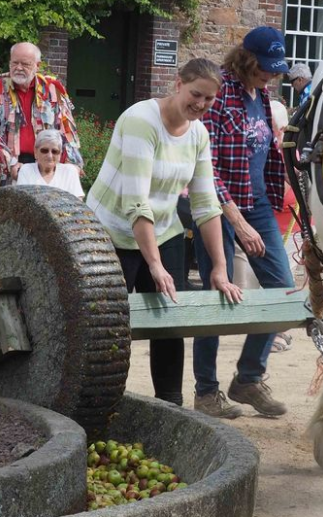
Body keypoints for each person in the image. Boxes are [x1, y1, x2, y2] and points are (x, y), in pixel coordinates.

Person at [87, 58, 242, 409]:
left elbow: (206, 205)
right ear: (177, 84)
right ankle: (100, 403)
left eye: (209, 100)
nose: (200, 105)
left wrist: (219, 267)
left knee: (169, 320)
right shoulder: (142, 120)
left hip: (163, 228)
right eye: (195, 95)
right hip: (111, 231)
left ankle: (170, 405)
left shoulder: (199, 134)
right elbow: (136, 201)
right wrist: (154, 266)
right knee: (108, 326)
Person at [193, 26, 294, 419]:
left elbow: (267, 152)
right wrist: (235, 218)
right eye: (264, 68)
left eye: (274, 69)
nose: (270, 75)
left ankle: (248, 378)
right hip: (215, 209)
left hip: (259, 204)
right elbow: (206, 167)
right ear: (246, 60)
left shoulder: (262, 95)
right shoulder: (218, 95)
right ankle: (206, 392)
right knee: (216, 296)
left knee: (282, 293)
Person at [0, 42, 81, 187]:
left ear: (37, 65)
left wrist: (72, 162)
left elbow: (67, 130)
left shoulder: (52, 88)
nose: (18, 68)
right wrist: (10, 163)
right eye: (15, 63)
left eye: (25, 64)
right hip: (9, 170)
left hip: (47, 166)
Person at [16, 128, 84, 196]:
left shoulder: (69, 172)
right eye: (44, 151)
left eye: (54, 151)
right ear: (36, 151)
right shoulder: (26, 171)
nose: (49, 156)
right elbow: (22, 203)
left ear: (60, 154)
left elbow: (78, 204)